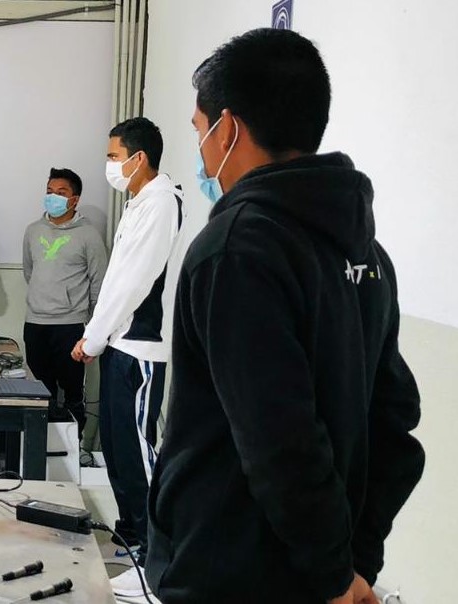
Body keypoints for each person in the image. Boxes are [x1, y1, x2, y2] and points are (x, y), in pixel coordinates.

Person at [146, 29, 425, 604]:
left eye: (199, 131)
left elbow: (279, 440)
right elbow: (394, 428)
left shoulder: (235, 250)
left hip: (229, 571)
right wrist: (351, 565)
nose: (201, 151)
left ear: (228, 129)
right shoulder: (366, 253)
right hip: (319, 571)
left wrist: (336, 574)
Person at [70, 117, 187, 598]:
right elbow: (117, 280)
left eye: (114, 156)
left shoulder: (161, 203)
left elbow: (133, 283)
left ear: (139, 158)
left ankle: (159, 555)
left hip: (139, 348)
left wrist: (92, 338)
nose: (110, 165)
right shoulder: (139, 202)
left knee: (139, 452)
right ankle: (133, 535)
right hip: (118, 343)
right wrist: (96, 335)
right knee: (117, 450)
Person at [22, 168, 107, 436]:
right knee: (40, 390)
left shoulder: (89, 235)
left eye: (61, 192)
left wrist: (92, 325)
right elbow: (29, 272)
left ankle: (74, 446)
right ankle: (43, 446)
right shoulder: (33, 231)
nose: (53, 197)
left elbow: (99, 281)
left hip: (70, 325)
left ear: (74, 199)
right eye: (49, 191)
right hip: (35, 322)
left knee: (72, 391)